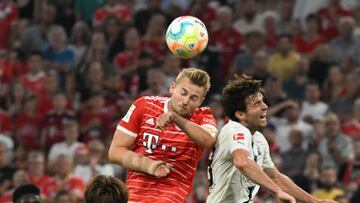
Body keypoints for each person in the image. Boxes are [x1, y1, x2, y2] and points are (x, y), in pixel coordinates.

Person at [207, 74, 336, 203]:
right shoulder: (233, 129)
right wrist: (278, 192)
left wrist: (315, 201)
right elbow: (242, 162)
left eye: (262, 101)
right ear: (240, 114)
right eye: (257, 103)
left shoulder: (258, 139)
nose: (265, 106)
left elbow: (275, 177)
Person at [108, 68, 218, 203]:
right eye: (183, 93)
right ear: (172, 87)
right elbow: (115, 152)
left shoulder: (203, 116)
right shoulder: (144, 105)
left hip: (172, 196)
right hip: (134, 194)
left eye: (193, 98)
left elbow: (208, 140)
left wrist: (175, 118)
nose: (185, 101)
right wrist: (149, 165)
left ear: (201, 101)